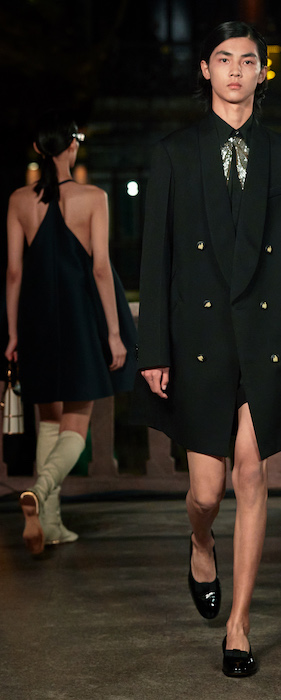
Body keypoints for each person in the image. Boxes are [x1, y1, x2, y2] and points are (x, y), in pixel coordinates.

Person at [132, 21, 281, 677]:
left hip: (268, 340)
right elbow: (155, 259)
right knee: (207, 489)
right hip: (199, 339)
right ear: (206, 70)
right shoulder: (174, 154)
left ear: (262, 72)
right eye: (224, 59)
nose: (236, 70)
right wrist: (153, 349)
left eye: (248, 60)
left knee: (251, 474)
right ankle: (199, 542)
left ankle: (239, 627)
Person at [5, 110, 137, 555]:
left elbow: (13, 273)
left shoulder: (19, 200)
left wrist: (12, 334)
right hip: (80, 317)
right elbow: (100, 269)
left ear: (39, 150)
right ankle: (40, 491)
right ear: (72, 146)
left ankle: (50, 524)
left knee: (49, 421)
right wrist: (114, 334)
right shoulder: (93, 197)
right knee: (76, 424)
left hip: (36, 317)